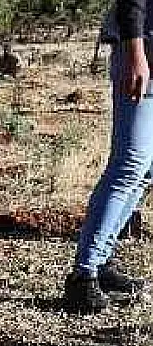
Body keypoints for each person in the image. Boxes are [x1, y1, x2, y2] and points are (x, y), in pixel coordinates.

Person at [64, 1, 151, 314]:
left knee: (144, 174)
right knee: (128, 167)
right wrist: (135, 55)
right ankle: (83, 277)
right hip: (144, 60)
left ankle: (101, 262)